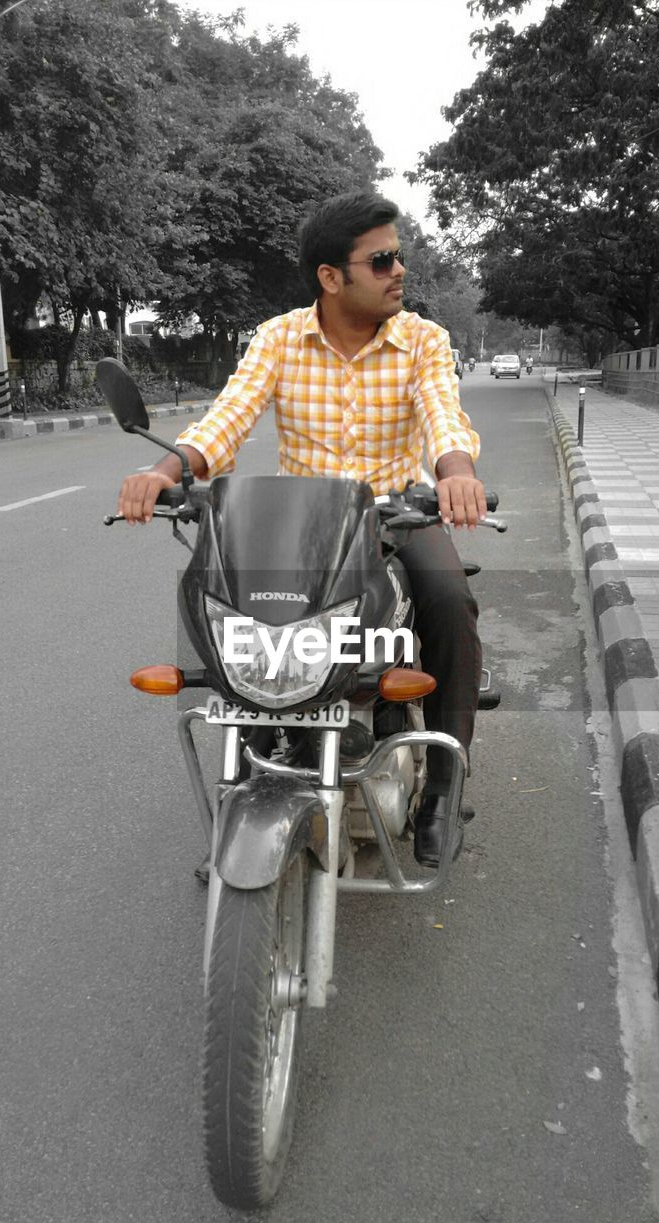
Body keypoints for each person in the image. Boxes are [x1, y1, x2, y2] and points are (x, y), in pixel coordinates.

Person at [117, 191, 485, 868]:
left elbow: (442, 415)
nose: (398, 270)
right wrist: (164, 470)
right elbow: (228, 417)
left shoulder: (424, 341)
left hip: (394, 515)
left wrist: (455, 473)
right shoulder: (280, 337)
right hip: (302, 527)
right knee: (239, 619)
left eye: (397, 257)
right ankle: (257, 771)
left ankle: (444, 782)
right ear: (330, 277)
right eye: (380, 261)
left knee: (448, 601)